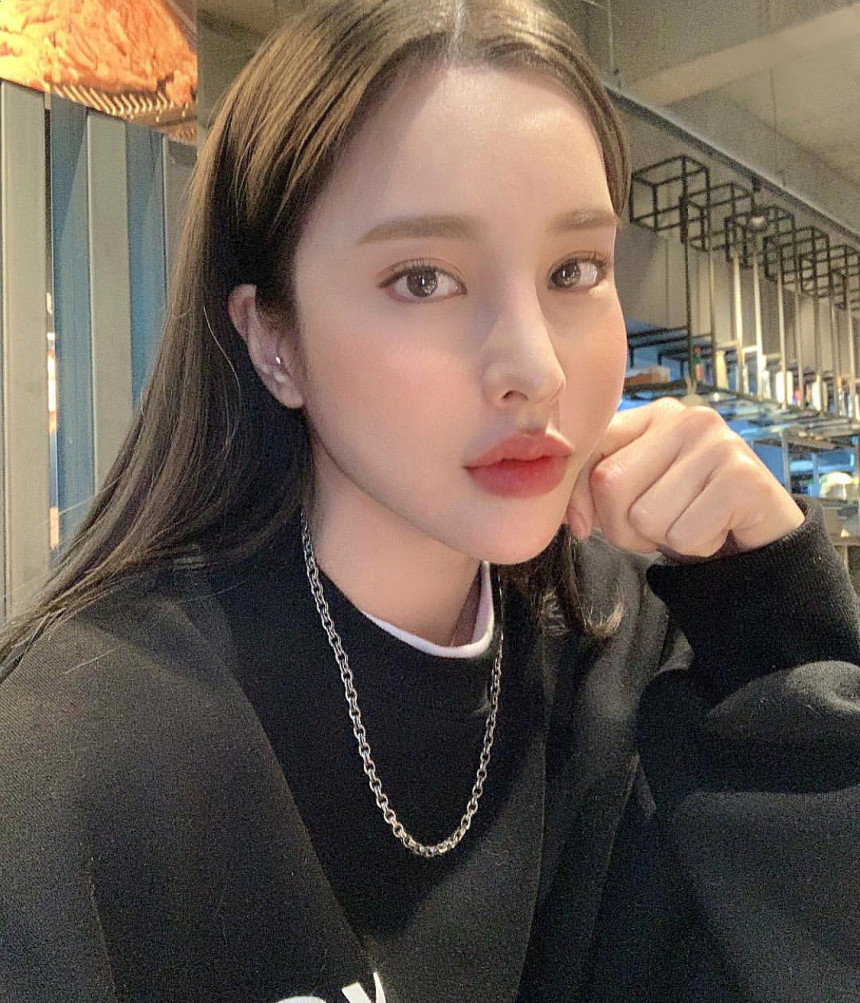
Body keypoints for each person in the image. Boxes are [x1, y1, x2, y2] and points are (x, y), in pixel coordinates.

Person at [1, 0, 859, 1000]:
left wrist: (775, 616)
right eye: (422, 279)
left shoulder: (637, 655)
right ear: (275, 340)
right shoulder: (83, 751)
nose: (534, 368)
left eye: (574, 269)